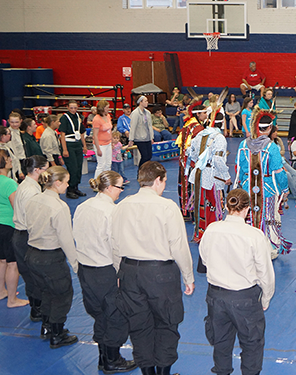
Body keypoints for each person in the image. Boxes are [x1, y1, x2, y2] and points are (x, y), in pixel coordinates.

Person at [112, 161, 195, 375]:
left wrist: (119, 272)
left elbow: (114, 242)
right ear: (158, 180)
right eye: (164, 181)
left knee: (139, 325)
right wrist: (188, 276)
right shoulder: (167, 207)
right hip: (161, 274)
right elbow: (178, 246)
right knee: (167, 324)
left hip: (130, 271)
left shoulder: (122, 205)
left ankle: (147, 373)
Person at [200, 189, 275, 375]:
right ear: (248, 209)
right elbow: (265, 273)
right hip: (245, 297)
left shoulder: (211, 229)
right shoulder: (255, 235)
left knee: (221, 342)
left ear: (226, 206)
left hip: (216, 296)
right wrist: (265, 298)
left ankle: (222, 372)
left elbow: (205, 258)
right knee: (252, 344)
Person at [72, 170, 137, 373]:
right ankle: (112, 360)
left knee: (99, 314)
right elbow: (116, 246)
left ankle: (103, 357)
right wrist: (121, 274)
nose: (121, 191)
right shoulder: (112, 212)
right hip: (105, 270)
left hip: (86, 269)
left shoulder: (83, 207)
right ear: (109, 188)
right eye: (119, 187)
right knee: (116, 316)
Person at [25, 166, 79, 348]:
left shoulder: (34, 200)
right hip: (50, 257)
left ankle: (47, 326)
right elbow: (66, 239)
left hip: (32, 253)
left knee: (45, 291)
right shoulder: (59, 207)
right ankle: (57, 333)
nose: (68, 185)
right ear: (57, 183)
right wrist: (75, 263)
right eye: (66, 181)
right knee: (62, 294)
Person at [234, 107, 290, 258]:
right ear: (270, 128)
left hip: (247, 188)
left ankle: (249, 247)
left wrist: (244, 182)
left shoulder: (243, 145)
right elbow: (279, 171)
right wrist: (284, 188)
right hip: (268, 189)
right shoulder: (271, 147)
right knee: (269, 217)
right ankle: (269, 249)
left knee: (250, 216)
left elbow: (238, 168)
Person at [186, 110, 231, 249]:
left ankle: (200, 233)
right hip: (212, 176)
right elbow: (217, 159)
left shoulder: (200, 134)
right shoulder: (219, 138)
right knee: (213, 204)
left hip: (199, 174)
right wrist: (226, 176)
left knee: (201, 203)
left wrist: (199, 162)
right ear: (222, 122)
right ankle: (213, 235)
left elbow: (190, 153)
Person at [11, 156, 48, 323]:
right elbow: (32, 218)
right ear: (38, 170)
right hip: (27, 235)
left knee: (30, 274)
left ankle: (36, 308)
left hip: (22, 234)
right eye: (46, 169)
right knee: (34, 275)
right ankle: (37, 309)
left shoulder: (26, 185)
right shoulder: (31, 191)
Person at [0, 150, 25, 309]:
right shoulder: (9, 183)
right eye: (8, 158)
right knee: (12, 264)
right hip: (9, 226)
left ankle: (1, 291)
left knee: (1, 260)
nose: (10, 160)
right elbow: (18, 207)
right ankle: (12, 300)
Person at [176, 102, 207, 221]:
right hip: (190, 163)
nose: (206, 115)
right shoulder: (198, 128)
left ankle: (186, 211)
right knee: (190, 186)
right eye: (204, 113)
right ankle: (190, 211)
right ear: (197, 114)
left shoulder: (189, 124)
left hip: (184, 162)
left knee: (185, 185)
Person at [58, 101, 88, 198]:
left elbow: (82, 133)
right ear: (67, 107)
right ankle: (70, 189)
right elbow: (62, 135)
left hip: (77, 143)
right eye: (71, 108)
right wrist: (64, 149)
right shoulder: (64, 118)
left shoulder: (78, 117)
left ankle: (76, 187)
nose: (73, 110)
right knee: (72, 168)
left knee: (79, 167)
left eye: (75, 108)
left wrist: (84, 146)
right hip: (69, 144)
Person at [128, 95, 154, 171]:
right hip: (139, 138)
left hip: (147, 137)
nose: (147, 102)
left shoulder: (148, 113)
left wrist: (151, 137)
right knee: (145, 156)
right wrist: (131, 139)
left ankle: (145, 171)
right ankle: (140, 171)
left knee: (149, 156)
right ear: (140, 102)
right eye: (145, 101)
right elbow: (133, 127)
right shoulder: (135, 113)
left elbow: (150, 126)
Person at [92, 101, 114, 178]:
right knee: (101, 164)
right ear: (102, 108)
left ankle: (106, 180)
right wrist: (98, 148)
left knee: (108, 164)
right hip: (100, 144)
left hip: (108, 143)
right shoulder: (96, 119)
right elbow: (95, 134)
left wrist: (112, 142)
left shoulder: (108, 116)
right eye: (107, 107)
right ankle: (96, 182)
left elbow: (110, 130)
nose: (109, 109)